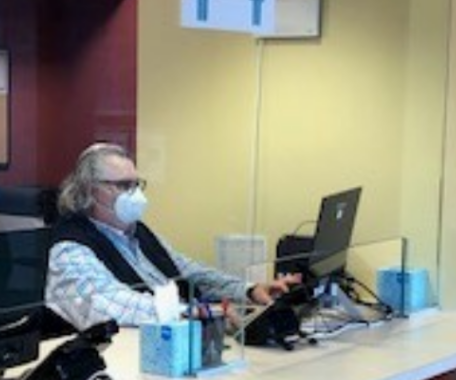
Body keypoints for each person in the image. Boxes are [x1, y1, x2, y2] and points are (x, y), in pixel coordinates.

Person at [45, 142, 296, 333]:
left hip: (178, 343)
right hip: (129, 360)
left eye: (136, 184)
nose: (134, 195)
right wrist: (195, 312)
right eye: (123, 186)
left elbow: (189, 272)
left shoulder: (137, 232)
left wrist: (248, 290)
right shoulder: (69, 246)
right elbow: (110, 305)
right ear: (91, 189)